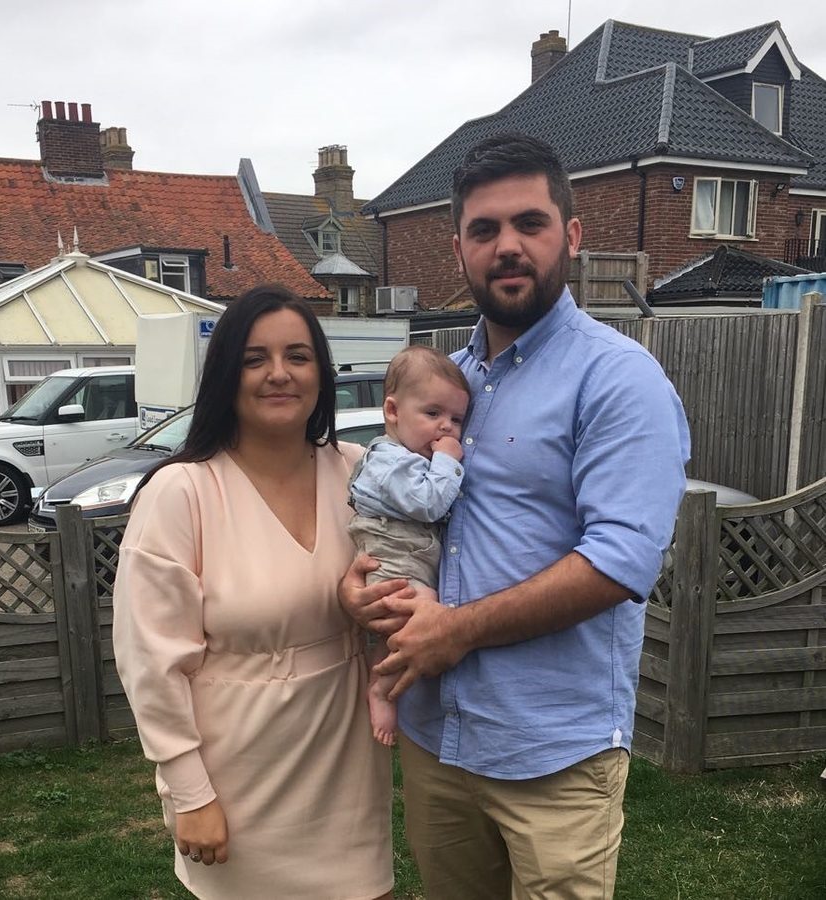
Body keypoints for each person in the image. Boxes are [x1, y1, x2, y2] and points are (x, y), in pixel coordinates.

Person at [340, 133, 691, 899]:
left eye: (529, 224)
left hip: (554, 757)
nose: (507, 247)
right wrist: (356, 585)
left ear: (569, 235)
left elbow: (620, 562)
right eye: (484, 230)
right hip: (438, 740)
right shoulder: (446, 384)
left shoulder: (619, 381)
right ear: (458, 248)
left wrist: (455, 630)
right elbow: (388, 501)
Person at [113, 285, 393, 900]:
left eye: (297, 355)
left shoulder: (361, 471)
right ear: (225, 375)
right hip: (237, 781)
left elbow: (418, 570)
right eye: (254, 358)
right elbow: (150, 664)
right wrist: (190, 793)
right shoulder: (181, 493)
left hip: (345, 774)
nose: (278, 374)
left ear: (321, 371)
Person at [347, 345, 470, 746]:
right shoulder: (392, 461)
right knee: (421, 613)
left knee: (417, 617)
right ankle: (381, 686)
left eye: (456, 419)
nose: (446, 428)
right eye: (433, 414)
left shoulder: (407, 458)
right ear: (393, 411)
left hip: (404, 555)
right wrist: (449, 460)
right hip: (392, 559)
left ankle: (389, 679)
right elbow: (429, 502)